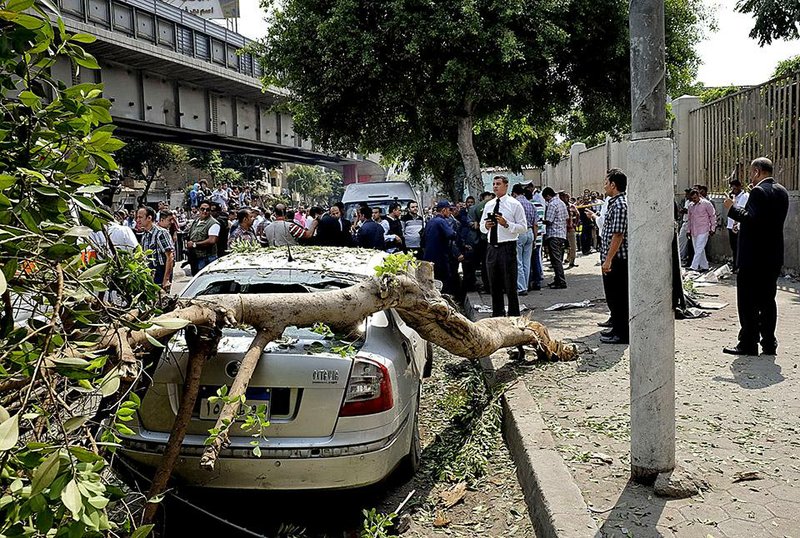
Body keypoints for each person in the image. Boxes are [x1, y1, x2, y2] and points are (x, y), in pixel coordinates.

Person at [722, 157, 789, 356]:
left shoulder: (759, 192)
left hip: (753, 258)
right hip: (772, 256)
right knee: (768, 301)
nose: (750, 177)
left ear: (758, 171)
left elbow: (752, 220)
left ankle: (748, 343)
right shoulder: (782, 191)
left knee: (748, 302)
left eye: (751, 172)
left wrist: (731, 208)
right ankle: (769, 343)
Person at [479, 175, 527, 318]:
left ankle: (513, 315)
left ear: (506, 186)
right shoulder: (489, 204)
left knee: (510, 283)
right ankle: (498, 314)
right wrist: (486, 226)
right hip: (492, 247)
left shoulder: (514, 204)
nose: (495, 186)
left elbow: (523, 227)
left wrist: (507, 224)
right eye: (494, 184)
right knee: (494, 284)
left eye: (498, 184)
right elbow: (482, 227)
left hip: (507, 246)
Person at [598, 169, 629, 345]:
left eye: (606, 182)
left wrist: (609, 259)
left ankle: (622, 333)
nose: (604, 185)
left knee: (619, 298)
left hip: (618, 260)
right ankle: (616, 328)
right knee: (612, 297)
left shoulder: (620, 205)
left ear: (613, 185)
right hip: (610, 258)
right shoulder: (613, 203)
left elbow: (618, 235)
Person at [422, 200, 459, 295]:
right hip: (440, 257)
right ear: (444, 210)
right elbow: (451, 234)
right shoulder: (441, 221)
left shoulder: (430, 221)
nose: (450, 212)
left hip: (428, 256)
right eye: (449, 210)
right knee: (444, 280)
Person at [136, 205, 175, 289]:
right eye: (137, 217)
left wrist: (166, 279)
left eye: (140, 217)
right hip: (151, 273)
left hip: (161, 273)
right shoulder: (144, 235)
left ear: (149, 218)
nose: (138, 220)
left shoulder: (160, 233)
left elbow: (170, 256)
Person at [541, 187, 568, 289]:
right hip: (561, 234)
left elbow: (549, 220)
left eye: (545, 198)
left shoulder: (552, 204)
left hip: (554, 234)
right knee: (559, 258)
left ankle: (561, 281)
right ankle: (557, 279)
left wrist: (541, 221)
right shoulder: (561, 203)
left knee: (555, 260)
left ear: (548, 196)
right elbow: (566, 217)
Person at [511, 183, 535, 296]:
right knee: (527, 261)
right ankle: (526, 284)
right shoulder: (531, 204)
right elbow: (536, 223)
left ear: (514, 193)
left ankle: (521, 287)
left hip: (519, 233)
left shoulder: (515, 204)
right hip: (530, 232)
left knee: (518, 261)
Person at [686, 188, 716, 272]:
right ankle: (704, 266)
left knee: (699, 248)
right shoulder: (690, 205)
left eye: (695, 198)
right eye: (692, 199)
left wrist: (712, 228)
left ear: (699, 195)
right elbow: (689, 219)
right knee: (698, 249)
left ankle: (694, 267)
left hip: (704, 229)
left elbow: (712, 216)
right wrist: (688, 230)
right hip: (694, 230)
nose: (694, 200)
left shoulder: (706, 204)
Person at [185, 201, 220, 273]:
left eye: (207, 210)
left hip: (208, 258)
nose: (205, 211)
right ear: (198, 209)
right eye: (202, 209)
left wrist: (194, 244)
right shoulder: (196, 221)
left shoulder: (213, 223)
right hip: (196, 257)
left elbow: (212, 240)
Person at [726, 178, 749, 272]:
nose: (733, 190)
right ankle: (735, 265)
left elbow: (740, 210)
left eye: (735, 188)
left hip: (737, 225)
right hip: (730, 224)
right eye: (732, 188)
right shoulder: (733, 196)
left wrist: (735, 225)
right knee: (734, 247)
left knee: (739, 247)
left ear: (740, 187)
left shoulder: (744, 196)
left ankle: (738, 266)